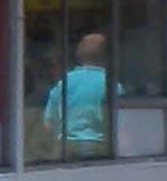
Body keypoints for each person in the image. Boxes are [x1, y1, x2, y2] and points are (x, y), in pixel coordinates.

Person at [38, 31, 112, 161]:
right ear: (107, 56)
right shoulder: (110, 83)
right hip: (97, 147)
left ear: (79, 55)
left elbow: (48, 122)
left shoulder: (64, 82)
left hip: (65, 146)